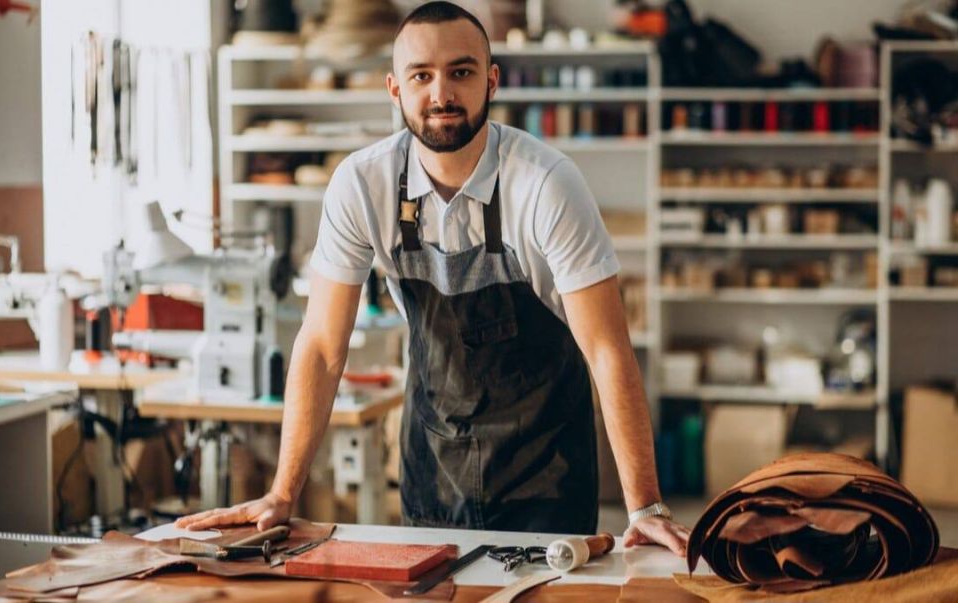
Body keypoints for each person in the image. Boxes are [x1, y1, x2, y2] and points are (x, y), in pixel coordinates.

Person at [177, 1, 689, 556]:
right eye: (422, 75)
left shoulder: (546, 185)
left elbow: (608, 349)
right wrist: (282, 491)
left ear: (491, 81)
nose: (441, 94)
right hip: (433, 465)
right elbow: (323, 346)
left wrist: (646, 505)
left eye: (461, 72)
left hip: (546, 470)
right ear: (395, 89)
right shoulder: (361, 185)